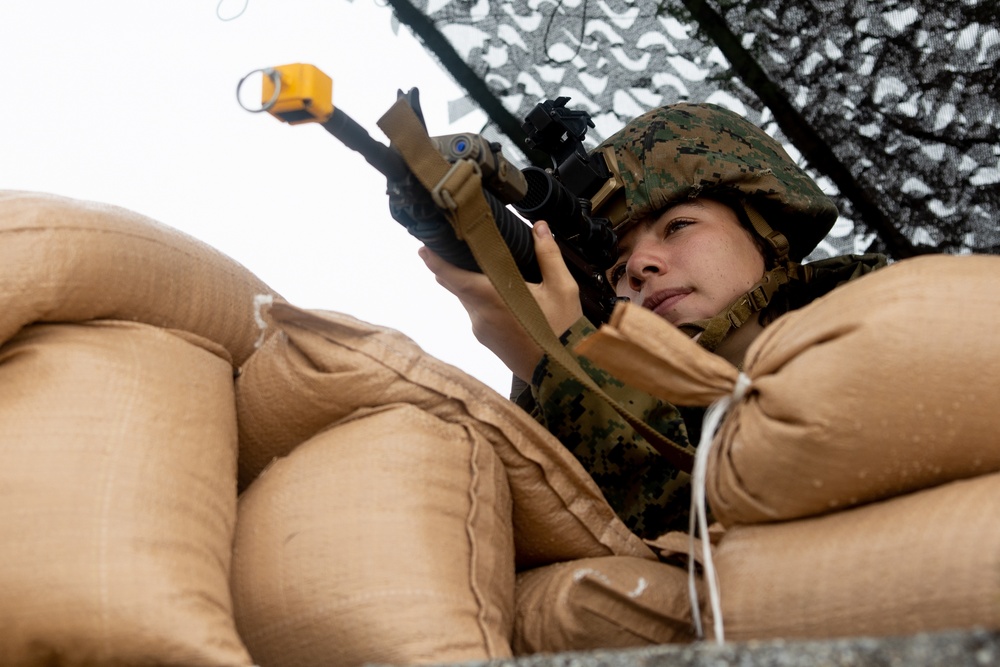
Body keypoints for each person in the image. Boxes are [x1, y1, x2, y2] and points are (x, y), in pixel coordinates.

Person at [419, 103, 887, 540]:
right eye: (617, 269)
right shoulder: (642, 410)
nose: (641, 266)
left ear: (766, 231)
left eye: (678, 226)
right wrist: (546, 374)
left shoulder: (884, 321)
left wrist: (561, 365)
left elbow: (735, 534)